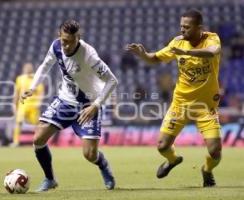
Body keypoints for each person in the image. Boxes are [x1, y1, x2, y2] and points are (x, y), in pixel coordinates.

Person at [126, 9, 222, 187]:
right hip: (181, 104)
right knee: (162, 146)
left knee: (215, 152)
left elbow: (212, 52)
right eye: (181, 26)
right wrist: (143, 55)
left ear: (199, 27)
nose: (182, 30)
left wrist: (187, 53)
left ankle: (207, 171)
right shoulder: (178, 42)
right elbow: (155, 58)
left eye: (187, 27)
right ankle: (172, 160)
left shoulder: (212, 38)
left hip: (205, 106)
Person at [20, 20, 118, 191]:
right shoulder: (56, 46)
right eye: (63, 40)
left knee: (90, 155)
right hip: (66, 101)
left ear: (77, 38)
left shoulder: (89, 56)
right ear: (59, 36)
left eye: (69, 42)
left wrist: (96, 105)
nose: (65, 45)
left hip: (89, 105)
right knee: (38, 138)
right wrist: (32, 88)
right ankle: (50, 179)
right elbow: (45, 66)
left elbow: (112, 80)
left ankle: (104, 166)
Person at [11, 63, 44, 147]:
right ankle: (16, 142)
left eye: (30, 68)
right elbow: (17, 93)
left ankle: (39, 142)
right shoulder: (20, 79)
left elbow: (41, 92)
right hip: (22, 105)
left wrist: (39, 102)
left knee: (37, 125)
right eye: (27, 68)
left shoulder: (36, 79)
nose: (28, 69)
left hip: (33, 106)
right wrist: (14, 104)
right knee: (18, 122)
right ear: (24, 69)